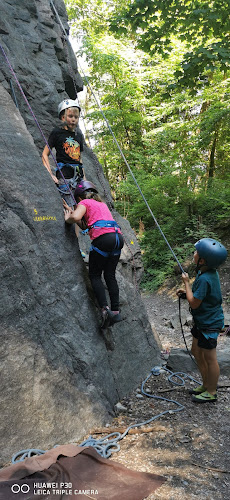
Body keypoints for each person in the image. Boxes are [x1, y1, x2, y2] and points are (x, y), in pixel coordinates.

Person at [63, 180, 124, 328]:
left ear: (79, 197)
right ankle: (115, 312)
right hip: (117, 238)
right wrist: (74, 213)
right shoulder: (101, 205)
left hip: (103, 239)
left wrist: (68, 217)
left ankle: (105, 310)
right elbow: (86, 223)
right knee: (110, 275)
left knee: (95, 275)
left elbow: (76, 218)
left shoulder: (84, 203)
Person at [177, 238, 227, 403]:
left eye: (197, 252)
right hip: (202, 321)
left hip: (209, 324)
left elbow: (194, 303)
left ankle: (212, 391)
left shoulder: (206, 278)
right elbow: (200, 296)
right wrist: (186, 293)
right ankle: (206, 384)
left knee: (210, 357)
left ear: (203, 260)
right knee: (196, 351)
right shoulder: (204, 272)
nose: (194, 253)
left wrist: (186, 284)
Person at [42, 98, 85, 209]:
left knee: (82, 207)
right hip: (65, 177)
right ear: (63, 117)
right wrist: (50, 174)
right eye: (70, 116)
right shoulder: (57, 133)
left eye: (76, 117)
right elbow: (45, 154)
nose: (74, 120)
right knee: (70, 207)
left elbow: (80, 159)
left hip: (78, 176)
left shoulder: (79, 136)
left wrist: (84, 178)